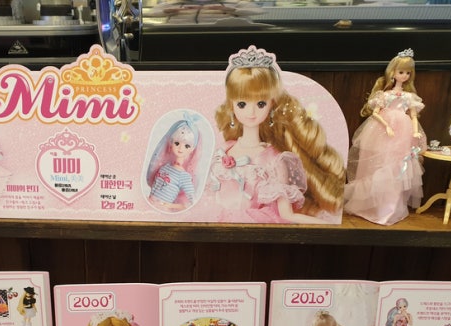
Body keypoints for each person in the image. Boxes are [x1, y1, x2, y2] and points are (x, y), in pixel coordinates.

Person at [208, 46, 345, 224]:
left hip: (251, 227)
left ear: (271, 105)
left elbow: (287, 214)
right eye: (242, 104)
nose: (251, 112)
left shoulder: (274, 160)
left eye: (260, 104)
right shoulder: (224, 149)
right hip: (213, 223)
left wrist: (328, 226)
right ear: (231, 105)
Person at [344, 48, 427, 225]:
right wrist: (387, 125)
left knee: (398, 166)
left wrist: (415, 131)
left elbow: (413, 116)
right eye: (401, 72)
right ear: (393, 73)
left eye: (408, 73)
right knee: (379, 164)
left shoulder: (409, 96)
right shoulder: (384, 95)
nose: (404, 76)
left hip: (403, 131)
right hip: (382, 131)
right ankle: (374, 206)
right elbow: (375, 113)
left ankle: (391, 208)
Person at [145, 114, 202, 212]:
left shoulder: (184, 176)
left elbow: (193, 201)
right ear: (171, 143)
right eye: (177, 143)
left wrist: (171, 206)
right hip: (149, 205)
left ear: (192, 149)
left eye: (187, 146)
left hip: (161, 210)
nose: (180, 148)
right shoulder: (165, 167)